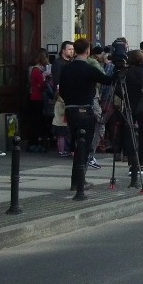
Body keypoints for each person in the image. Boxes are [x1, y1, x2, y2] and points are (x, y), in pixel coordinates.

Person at [58, 38, 116, 191]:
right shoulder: (89, 69)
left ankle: (75, 180)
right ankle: (80, 181)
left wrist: (70, 100)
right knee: (84, 145)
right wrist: (116, 68)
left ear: (75, 50)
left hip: (70, 109)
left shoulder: (66, 68)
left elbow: (61, 90)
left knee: (77, 143)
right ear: (88, 51)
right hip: (85, 109)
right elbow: (108, 80)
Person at [116, 50, 143, 186]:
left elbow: (117, 88)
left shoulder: (125, 73)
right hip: (142, 106)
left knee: (128, 133)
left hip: (128, 105)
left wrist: (126, 97)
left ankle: (131, 161)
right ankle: (139, 163)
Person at [26, 50, 51, 153]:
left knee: (36, 121)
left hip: (35, 98)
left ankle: (34, 142)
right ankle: (34, 143)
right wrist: (46, 81)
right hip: (36, 98)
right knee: (37, 121)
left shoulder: (35, 70)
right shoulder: (36, 70)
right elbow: (41, 85)